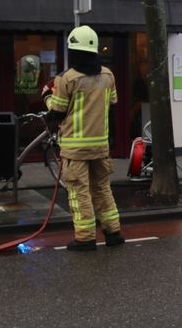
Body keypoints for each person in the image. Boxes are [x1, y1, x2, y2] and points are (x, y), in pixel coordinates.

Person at [43, 25, 123, 251]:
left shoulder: (67, 79)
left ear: (73, 51)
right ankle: (113, 232)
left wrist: (48, 97)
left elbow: (56, 113)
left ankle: (86, 238)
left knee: (79, 193)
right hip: (100, 146)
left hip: (75, 150)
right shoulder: (108, 76)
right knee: (103, 189)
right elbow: (112, 103)